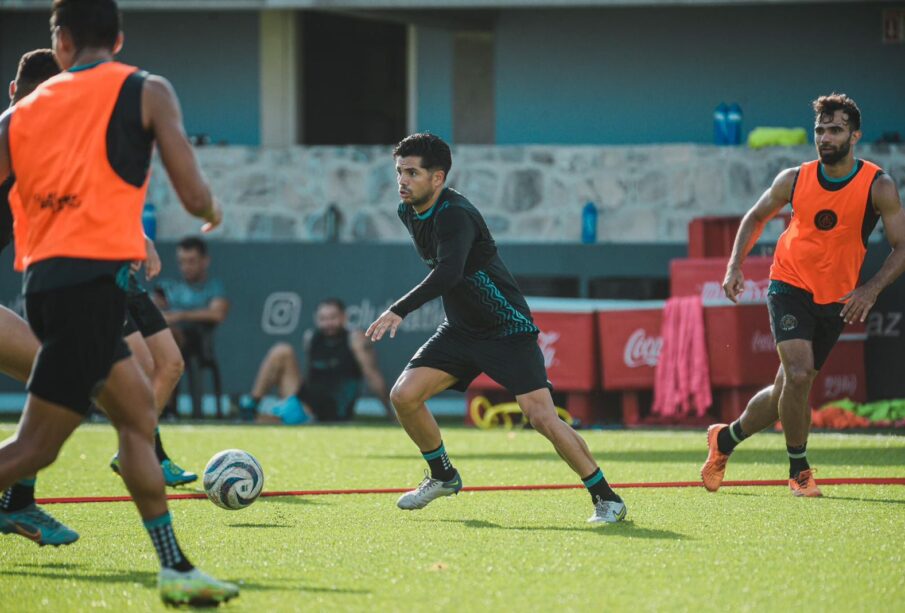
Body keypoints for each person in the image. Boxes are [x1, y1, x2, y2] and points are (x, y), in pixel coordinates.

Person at [0, 0, 237, 605]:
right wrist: (210, 211)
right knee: (35, 448)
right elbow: (191, 190)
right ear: (120, 37)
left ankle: (176, 568)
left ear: (62, 44)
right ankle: (173, 567)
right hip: (86, 293)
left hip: (53, 288)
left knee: (136, 418)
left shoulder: (17, 115)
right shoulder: (145, 89)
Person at [366, 133, 626, 524]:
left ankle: (608, 499)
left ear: (438, 178)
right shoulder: (409, 211)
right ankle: (443, 475)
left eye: (413, 173)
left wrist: (399, 309)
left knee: (541, 417)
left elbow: (449, 273)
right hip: (460, 331)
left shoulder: (455, 213)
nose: (402, 180)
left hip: (506, 328)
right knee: (404, 396)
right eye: (399, 171)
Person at [701, 93, 905, 497]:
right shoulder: (794, 178)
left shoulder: (877, 186)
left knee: (786, 391)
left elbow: (902, 246)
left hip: (836, 298)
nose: (825, 138)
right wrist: (734, 266)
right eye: (820, 130)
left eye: (835, 130)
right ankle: (799, 470)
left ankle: (724, 440)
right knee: (798, 374)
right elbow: (756, 217)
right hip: (789, 284)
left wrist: (870, 288)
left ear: (855, 135)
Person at [244, 298, 393, 424]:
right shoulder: (311, 338)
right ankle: (251, 407)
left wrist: (391, 413)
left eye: (333, 318)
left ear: (344, 317)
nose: (328, 323)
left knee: (266, 421)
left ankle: (258, 417)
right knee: (282, 351)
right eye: (323, 319)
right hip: (304, 405)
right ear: (317, 319)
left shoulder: (355, 340)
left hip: (333, 412)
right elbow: (310, 377)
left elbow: (372, 375)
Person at [155, 235, 229, 354]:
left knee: (165, 334)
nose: (186, 267)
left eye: (191, 261)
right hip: (161, 335)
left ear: (205, 261)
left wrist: (180, 315)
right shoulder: (169, 286)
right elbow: (154, 305)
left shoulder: (213, 287)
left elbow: (217, 313)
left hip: (196, 340)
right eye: (182, 262)